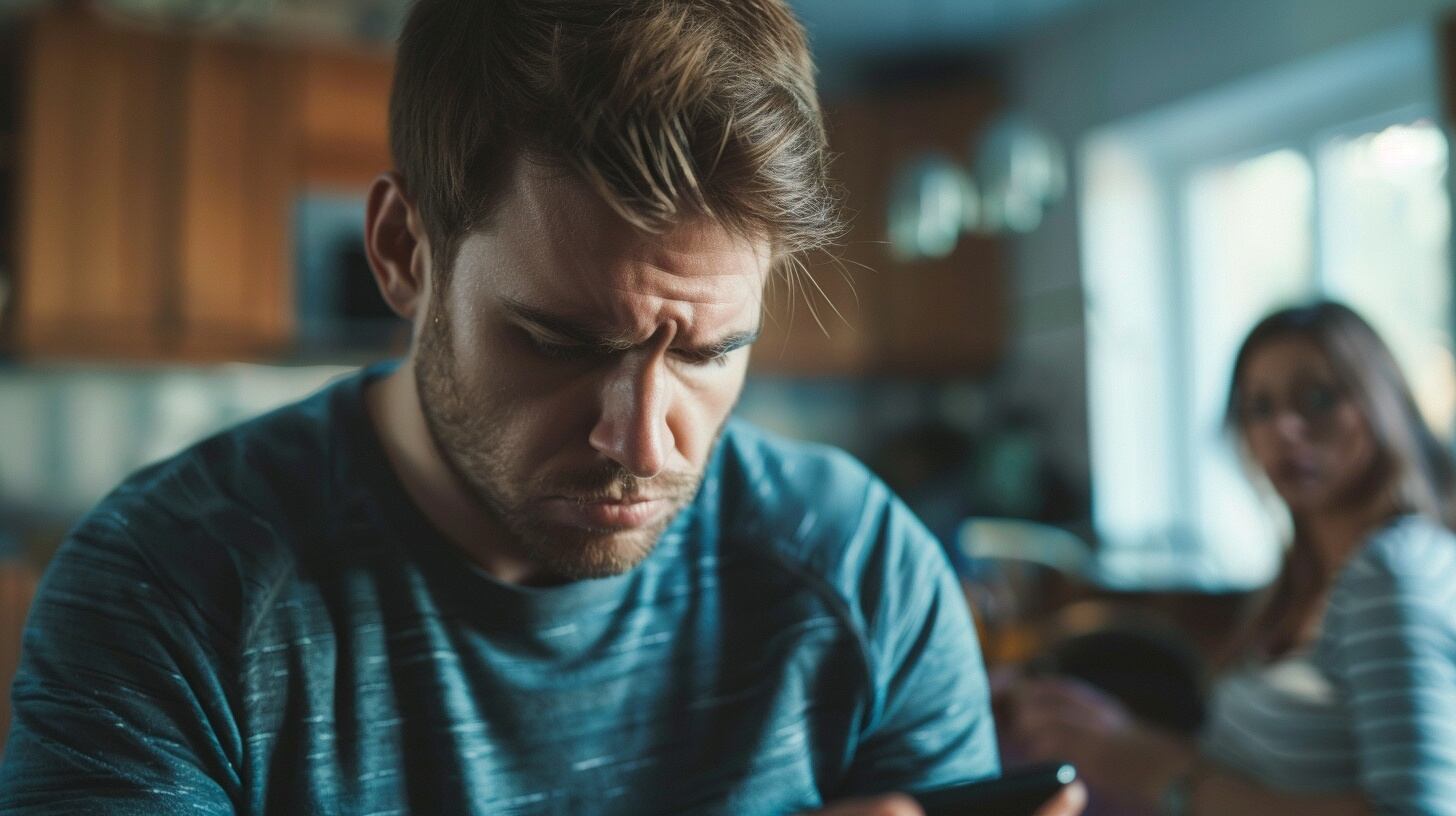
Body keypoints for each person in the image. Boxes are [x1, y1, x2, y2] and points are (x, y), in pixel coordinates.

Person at [0, 1, 1085, 814]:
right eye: (560, 341)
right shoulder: (162, 594)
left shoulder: (863, 575)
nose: (642, 438)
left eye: (712, 352)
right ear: (403, 251)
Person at [1005, 301, 1456, 815]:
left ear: (1382, 403)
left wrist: (1162, 771)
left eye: (1317, 398)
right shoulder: (1306, 582)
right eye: (1258, 408)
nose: (1284, 427)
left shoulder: (1389, 573)